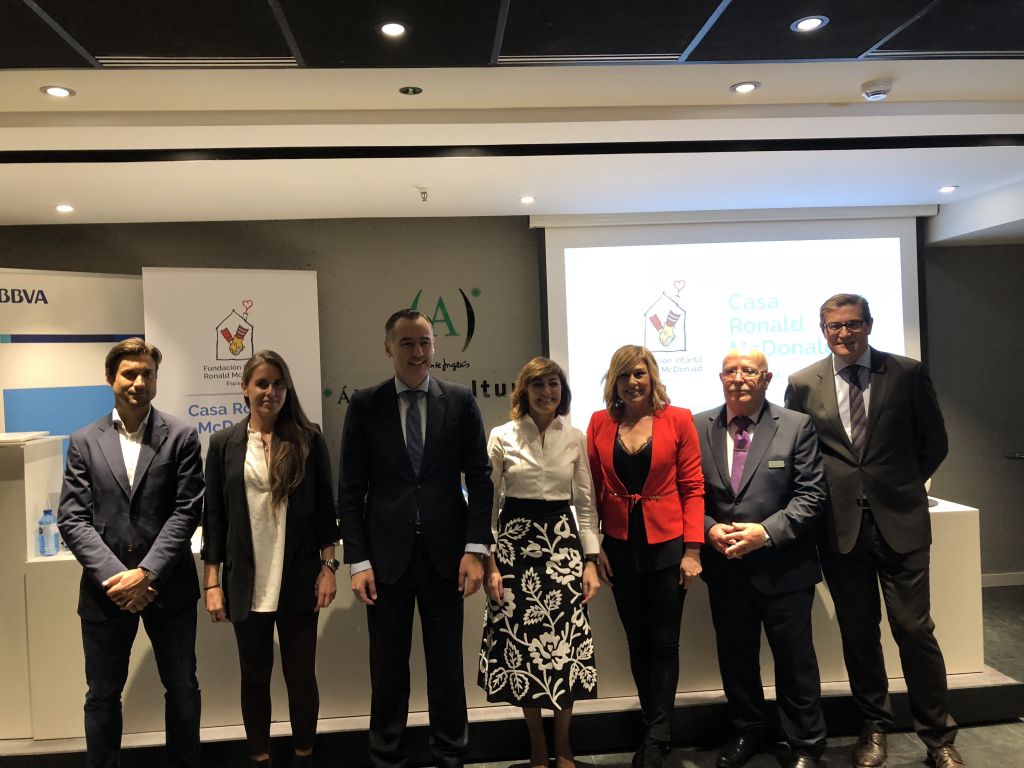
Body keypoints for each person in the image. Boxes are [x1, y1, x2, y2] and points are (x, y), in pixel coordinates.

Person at [786, 293, 964, 768]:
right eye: (834, 326)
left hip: (900, 522)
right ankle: (874, 728)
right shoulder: (802, 383)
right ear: (823, 330)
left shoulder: (906, 373)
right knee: (859, 634)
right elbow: (799, 455)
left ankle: (939, 739)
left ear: (868, 324)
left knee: (914, 630)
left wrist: (899, 486)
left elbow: (934, 443)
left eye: (853, 324)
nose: (844, 333)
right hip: (839, 528)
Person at [338, 309, 494, 768]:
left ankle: (450, 755)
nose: (418, 351)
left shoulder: (460, 401)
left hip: (447, 558)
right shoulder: (365, 405)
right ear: (389, 347)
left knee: (447, 667)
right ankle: (387, 758)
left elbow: (480, 479)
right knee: (387, 669)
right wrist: (358, 561)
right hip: (385, 560)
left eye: (425, 341)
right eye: (407, 342)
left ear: (434, 346)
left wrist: (475, 549)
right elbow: (350, 489)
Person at [57, 338, 203, 768]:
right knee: (102, 696)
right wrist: (119, 578)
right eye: (129, 374)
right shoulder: (84, 441)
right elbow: (73, 519)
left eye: (147, 374)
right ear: (110, 378)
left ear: (156, 379)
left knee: (182, 689)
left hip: (168, 586)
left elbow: (187, 510)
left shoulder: (181, 436)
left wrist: (147, 573)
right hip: (107, 592)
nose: (139, 382)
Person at [201, 350, 340, 767]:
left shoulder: (308, 439)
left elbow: (324, 511)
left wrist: (328, 567)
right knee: (254, 677)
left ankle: (304, 757)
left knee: (300, 678)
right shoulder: (222, 444)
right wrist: (212, 582)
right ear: (244, 388)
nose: (271, 391)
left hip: (298, 577)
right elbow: (214, 518)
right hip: (246, 581)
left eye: (279, 383)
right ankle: (259, 758)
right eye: (262, 383)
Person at [696, 349, 828, 768]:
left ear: (767, 379)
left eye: (749, 371)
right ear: (721, 377)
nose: (738, 378)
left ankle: (806, 743)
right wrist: (707, 528)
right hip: (726, 569)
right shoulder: (698, 426)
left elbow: (812, 495)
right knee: (736, 659)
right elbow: (686, 493)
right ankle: (747, 731)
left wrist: (765, 534)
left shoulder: (796, 425)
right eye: (730, 371)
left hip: (784, 568)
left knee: (795, 662)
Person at [478, 357, 601, 768]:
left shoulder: (575, 437)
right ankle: (536, 745)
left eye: (553, 384)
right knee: (523, 647)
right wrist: (490, 563)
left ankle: (563, 745)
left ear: (562, 390)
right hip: (514, 550)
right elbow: (487, 506)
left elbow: (586, 505)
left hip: (563, 550)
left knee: (565, 646)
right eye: (538, 385)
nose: (547, 392)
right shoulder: (501, 436)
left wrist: (590, 561)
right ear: (524, 391)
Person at [586, 345, 704, 768]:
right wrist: (595, 547)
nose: (632, 382)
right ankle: (652, 725)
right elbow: (592, 490)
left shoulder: (679, 419)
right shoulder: (599, 422)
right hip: (620, 547)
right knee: (637, 641)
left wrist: (693, 550)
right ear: (613, 382)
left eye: (639, 373)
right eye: (624, 375)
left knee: (665, 642)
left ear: (651, 376)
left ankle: (657, 735)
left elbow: (693, 487)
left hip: (668, 545)